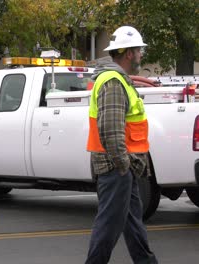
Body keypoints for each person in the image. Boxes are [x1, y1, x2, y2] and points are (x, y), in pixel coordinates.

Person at [85, 26, 158, 264]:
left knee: (133, 224)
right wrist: (124, 164)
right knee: (108, 227)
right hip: (117, 168)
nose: (141, 55)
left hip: (125, 167)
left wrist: (129, 165)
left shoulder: (118, 80)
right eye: (139, 51)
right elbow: (110, 130)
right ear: (129, 53)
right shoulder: (114, 82)